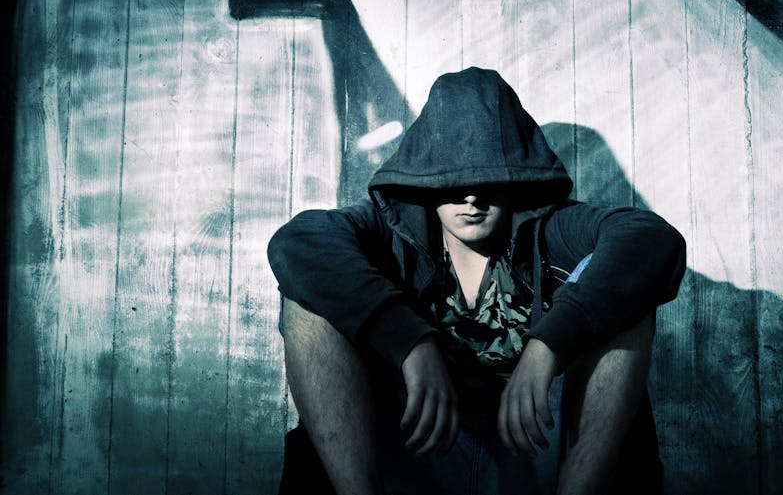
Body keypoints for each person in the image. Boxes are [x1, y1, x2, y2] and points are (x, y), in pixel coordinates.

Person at [267, 67, 686, 495]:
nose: (471, 196)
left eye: (486, 175)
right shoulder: (387, 230)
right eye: (452, 178)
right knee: (307, 303)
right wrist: (409, 342)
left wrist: (548, 346)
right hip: (416, 442)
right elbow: (297, 243)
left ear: (515, 176)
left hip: (535, 440)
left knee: (629, 302)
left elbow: (651, 240)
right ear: (424, 179)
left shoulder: (551, 228)